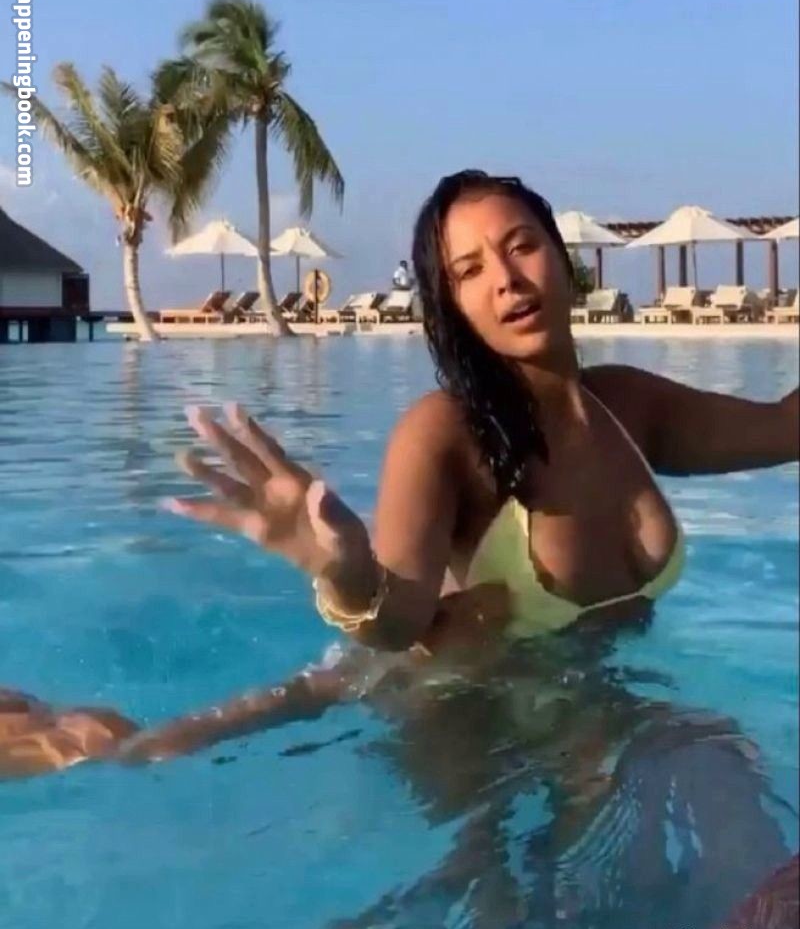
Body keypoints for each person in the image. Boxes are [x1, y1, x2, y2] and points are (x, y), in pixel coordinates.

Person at [1, 168, 797, 772]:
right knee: (132, 757)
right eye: (470, 269)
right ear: (452, 304)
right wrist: (342, 570)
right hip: (443, 705)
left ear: (564, 258)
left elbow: (785, 426)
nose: (507, 279)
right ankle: (56, 736)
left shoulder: (631, 406)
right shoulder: (445, 433)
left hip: (574, 707)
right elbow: (399, 623)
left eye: (521, 245)